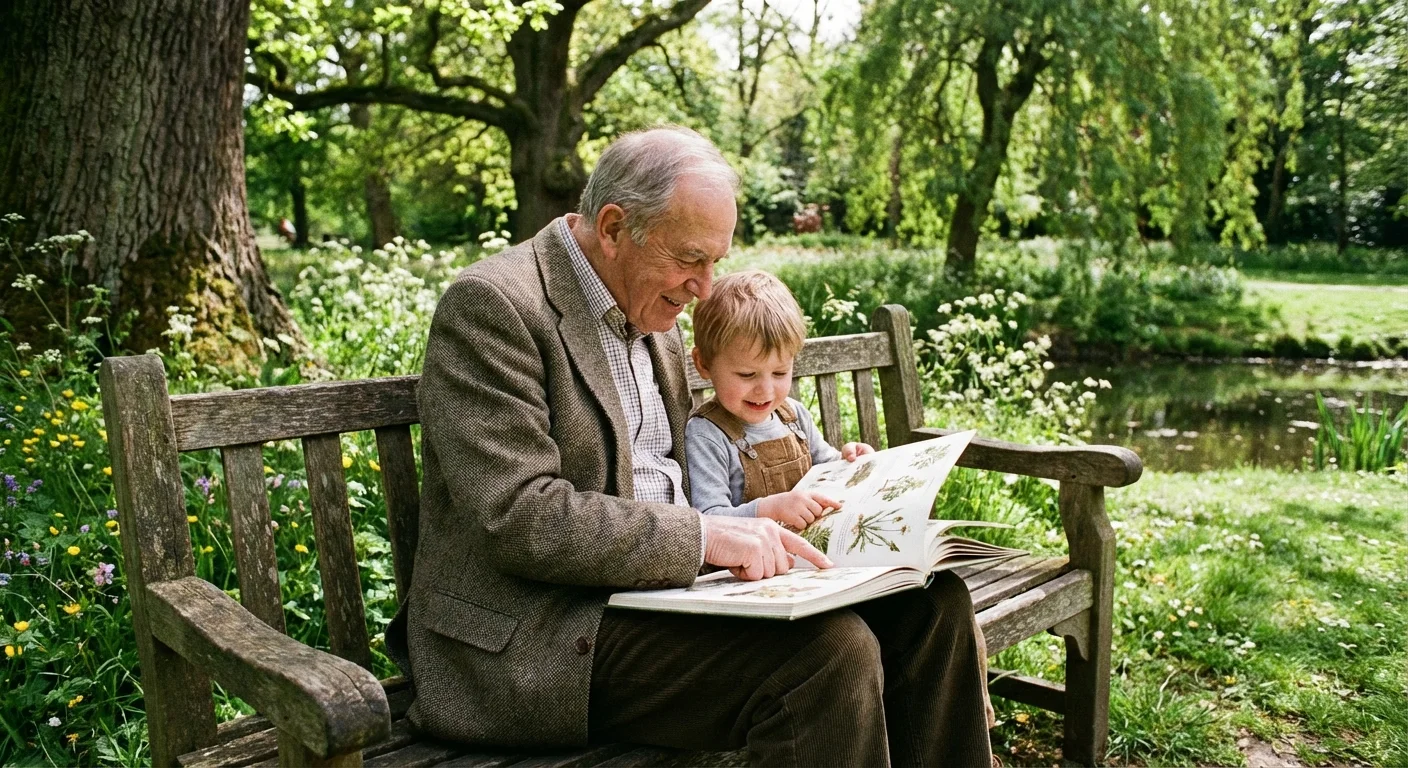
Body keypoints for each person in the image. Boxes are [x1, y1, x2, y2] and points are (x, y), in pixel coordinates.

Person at [386, 125, 993, 767]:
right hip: (546, 633)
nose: (705, 287)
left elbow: (697, 458)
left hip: (671, 595)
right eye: (690, 259)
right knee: (826, 656)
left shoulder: (652, 309)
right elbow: (517, 514)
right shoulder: (494, 306)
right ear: (615, 228)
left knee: (933, 608)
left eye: (716, 261)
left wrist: (833, 487)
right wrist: (707, 538)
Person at [685, 269, 874, 528]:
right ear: (703, 364)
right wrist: (769, 509)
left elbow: (826, 471)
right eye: (747, 374)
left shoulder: (793, 417)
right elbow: (708, 520)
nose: (766, 390)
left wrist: (850, 461)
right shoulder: (706, 435)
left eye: (780, 372)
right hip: (752, 563)